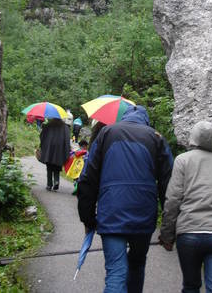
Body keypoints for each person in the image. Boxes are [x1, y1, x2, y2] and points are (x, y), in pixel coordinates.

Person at [77, 105, 173, 293]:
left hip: (111, 213)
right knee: (137, 265)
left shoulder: (106, 133)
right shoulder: (156, 138)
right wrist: (169, 228)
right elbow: (168, 186)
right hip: (143, 216)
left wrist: (87, 218)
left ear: (124, 118)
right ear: (145, 121)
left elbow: (88, 178)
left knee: (116, 272)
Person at [159, 120, 212, 293]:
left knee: (190, 286)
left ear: (193, 138)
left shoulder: (183, 161)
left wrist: (167, 235)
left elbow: (173, 199)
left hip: (189, 233)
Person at [39, 118, 70, 191]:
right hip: (59, 149)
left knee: (49, 167)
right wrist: (67, 149)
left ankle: (49, 185)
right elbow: (67, 139)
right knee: (57, 166)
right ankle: (56, 181)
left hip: (49, 148)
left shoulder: (48, 125)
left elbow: (42, 136)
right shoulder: (65, 127)